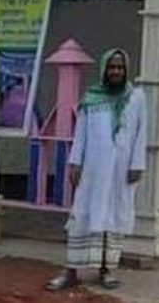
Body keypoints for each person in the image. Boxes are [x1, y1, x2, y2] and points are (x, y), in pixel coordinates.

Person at [46, 48, 147, 291]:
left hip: (120, 171)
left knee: (113, 217)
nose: (115, 71)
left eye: (120, 67)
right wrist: (75, 162)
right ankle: (71, 271)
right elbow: (80, 133)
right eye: (111, 67)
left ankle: (107, 270)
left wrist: (137, 164)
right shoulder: (92, 98)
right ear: (104, 69)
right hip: (93, 169)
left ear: (126, 70)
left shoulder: (136, 98)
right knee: (82, 215)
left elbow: (141, 132)